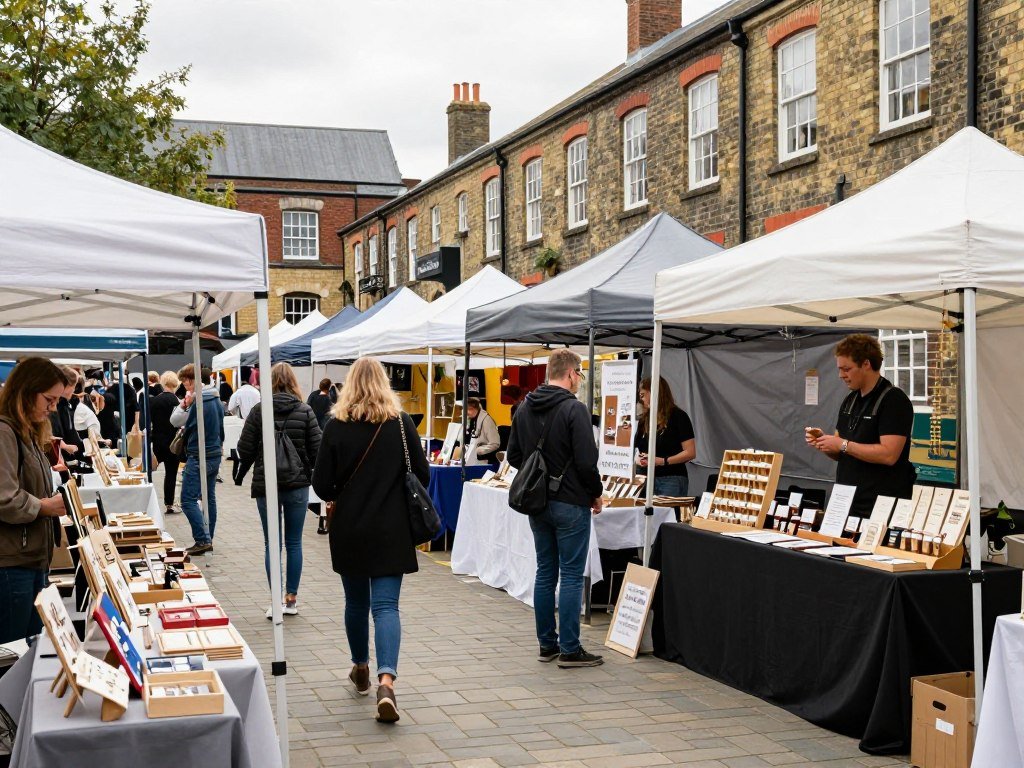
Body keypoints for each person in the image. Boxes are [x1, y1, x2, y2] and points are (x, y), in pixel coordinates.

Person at [312, 357, 429, 724]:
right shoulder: (400, 424)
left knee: (355, 602)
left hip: (350, 528)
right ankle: (387, 681)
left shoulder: (336, 426)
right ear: (384, 384)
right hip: (392, 528)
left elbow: (320, 484)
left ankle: (360, 666)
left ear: (349, 385)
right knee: (386, 607)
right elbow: (421, 474)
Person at [506, 349, 605, 669]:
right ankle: (571, 648)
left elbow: (514, 457)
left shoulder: (523, 408)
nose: (580, 380)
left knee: (545, 571)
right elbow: (587, 461)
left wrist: (541, 476)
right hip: (571, 501)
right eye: (580, 374)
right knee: (572, 574)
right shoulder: (575, 410)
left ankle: (547, 644)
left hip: (538, 503)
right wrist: (596, 493)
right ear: (572, 373)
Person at [236, 363, 321, 618]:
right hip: (297, 485)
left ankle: (275, 601)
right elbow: (318, 451)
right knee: (294, 542)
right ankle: (291, 599)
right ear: (293, 382)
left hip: (266, 484)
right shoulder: (305, 411)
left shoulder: (259, 411)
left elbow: (244, 449)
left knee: (272, 543)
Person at [806, 334, 916, 516]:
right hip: (845, 503)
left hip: (879, 507)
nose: (841, 375)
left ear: (866, 364)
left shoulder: (894, 400)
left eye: (847, 369)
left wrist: (841, 444)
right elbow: (841, 453)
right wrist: (824, 443)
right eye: (840, 369)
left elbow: (889, 455)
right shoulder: (850, 400)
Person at [0, 358, 70, 643]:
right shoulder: (5, 432)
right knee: (14, 651)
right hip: (12, 563)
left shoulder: (25, 431)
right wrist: (44, 506)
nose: (52, 407)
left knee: (30, 646)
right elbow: (4, 497)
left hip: (31, 558)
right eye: (48, 399)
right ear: (26, 391)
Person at [170, 365, 225, 555]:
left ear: (192, 380)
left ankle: (202, 539)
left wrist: (185, 431)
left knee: (187, 499)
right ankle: (208, 536)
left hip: (199, 454)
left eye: (185, 380)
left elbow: (185, 424)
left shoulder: (199, 400)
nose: (184, 383)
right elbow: (221, 429)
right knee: (208, 497)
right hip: (214, 453)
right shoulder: (216, 398)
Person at [635, 377, 697, 498]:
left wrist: (663, 461)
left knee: (667, 515)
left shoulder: (678, 416)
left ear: (654, 393)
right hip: (645, 478)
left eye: (643, 395)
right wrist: (639, 459)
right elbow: (638, 449)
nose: (641, 400)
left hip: (671, 479)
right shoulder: (644, 420)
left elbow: (690, 452)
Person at [151, 372, 183, 516]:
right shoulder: (177, 402)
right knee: (171, 474)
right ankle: (169, 504)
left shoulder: (154, 401)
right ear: (176, 384)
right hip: (173, 443)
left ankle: (148, 501)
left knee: (149, 471)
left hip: (157, 441)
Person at [49, 366, 85, 469]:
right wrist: (65, 446)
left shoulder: (63, 404)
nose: (74, 389)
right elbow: (51, 433)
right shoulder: (56, 405)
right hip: (58, 458)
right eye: (73, 386)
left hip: (64, 457)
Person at [464, 397, 500, 464]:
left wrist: (477, 450)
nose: (466, 413)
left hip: (484, 461)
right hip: (474, 459)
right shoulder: (474, 419)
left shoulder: (487, 421)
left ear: (472, 408)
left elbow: (495, 443)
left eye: (468, 410)